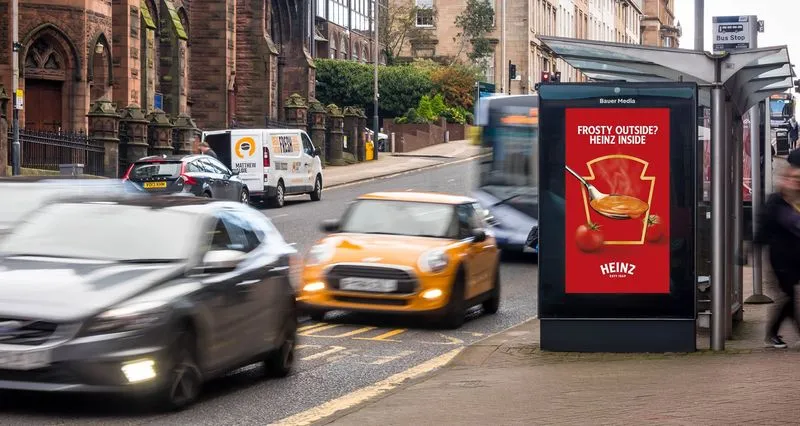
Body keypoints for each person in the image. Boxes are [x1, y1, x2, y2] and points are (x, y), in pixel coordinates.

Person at [753, 148, 800, 348]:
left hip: (797, 256)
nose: (795, 182)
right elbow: (763, 226)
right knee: (788, 295)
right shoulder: (776, 201)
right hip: (780, 258)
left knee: (789, 296)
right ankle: (773, 333)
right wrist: (752, 247)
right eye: (793, 178)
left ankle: (772, 333)